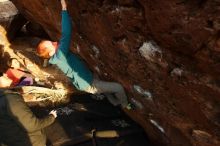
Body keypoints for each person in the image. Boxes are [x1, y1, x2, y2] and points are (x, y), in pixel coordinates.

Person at [37, 0, 129, 108]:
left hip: (86, 79)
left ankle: (114, 102)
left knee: (103, 84)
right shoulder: (60, 55)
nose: (55, 42)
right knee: (118, 88)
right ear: (51, 52)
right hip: (89, 84)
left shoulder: (57, 57)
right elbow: (66, 33)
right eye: (52, 44)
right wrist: (64, 9)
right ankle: (125, 105)